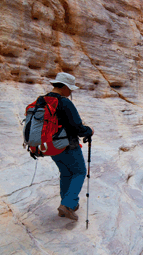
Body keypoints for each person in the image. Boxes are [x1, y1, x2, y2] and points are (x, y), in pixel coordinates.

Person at [46, 72, 94, 221]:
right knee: (79, 172)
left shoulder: (42, 100)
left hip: (50, 146)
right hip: (68, 145)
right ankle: (67, 205)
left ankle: (64, 207)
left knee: (66, 174)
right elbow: (77, 127)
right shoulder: (64, 102)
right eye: (71, 89)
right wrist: (89, 131)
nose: (71, 92)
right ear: (65, 87)